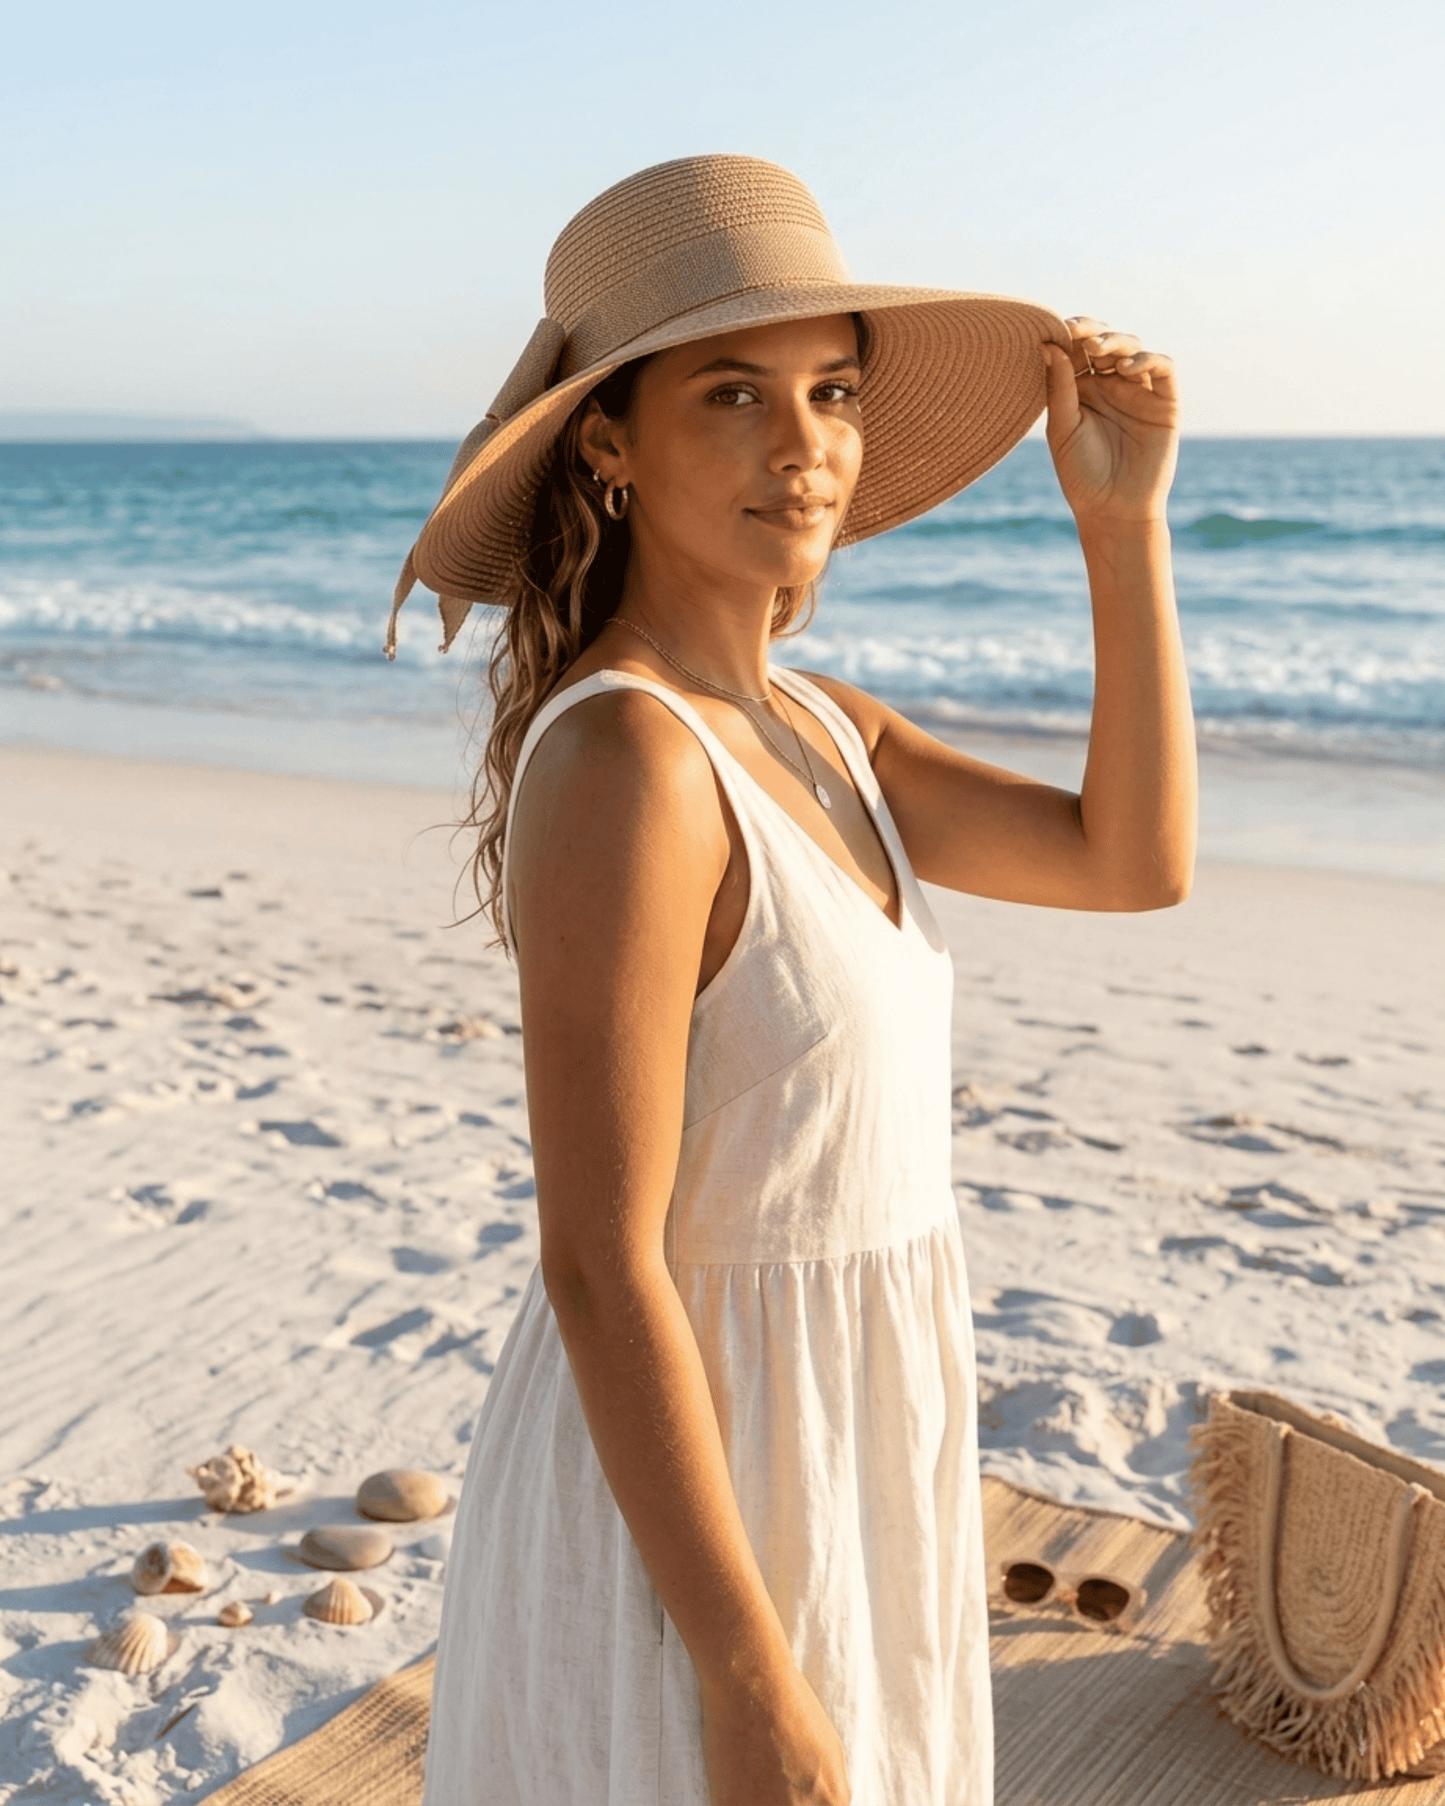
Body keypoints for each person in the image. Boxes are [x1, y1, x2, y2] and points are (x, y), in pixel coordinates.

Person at [385, 153, 1195, 1806]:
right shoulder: (628, 759)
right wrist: (749, 1674)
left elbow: (1131, 859)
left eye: (830, 390)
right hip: (695, 1514)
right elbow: (600, 1264)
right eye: (734, 393)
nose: (803, 443)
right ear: (607, 439)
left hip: (855, 1447)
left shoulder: (834, 727)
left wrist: (1123, 529)